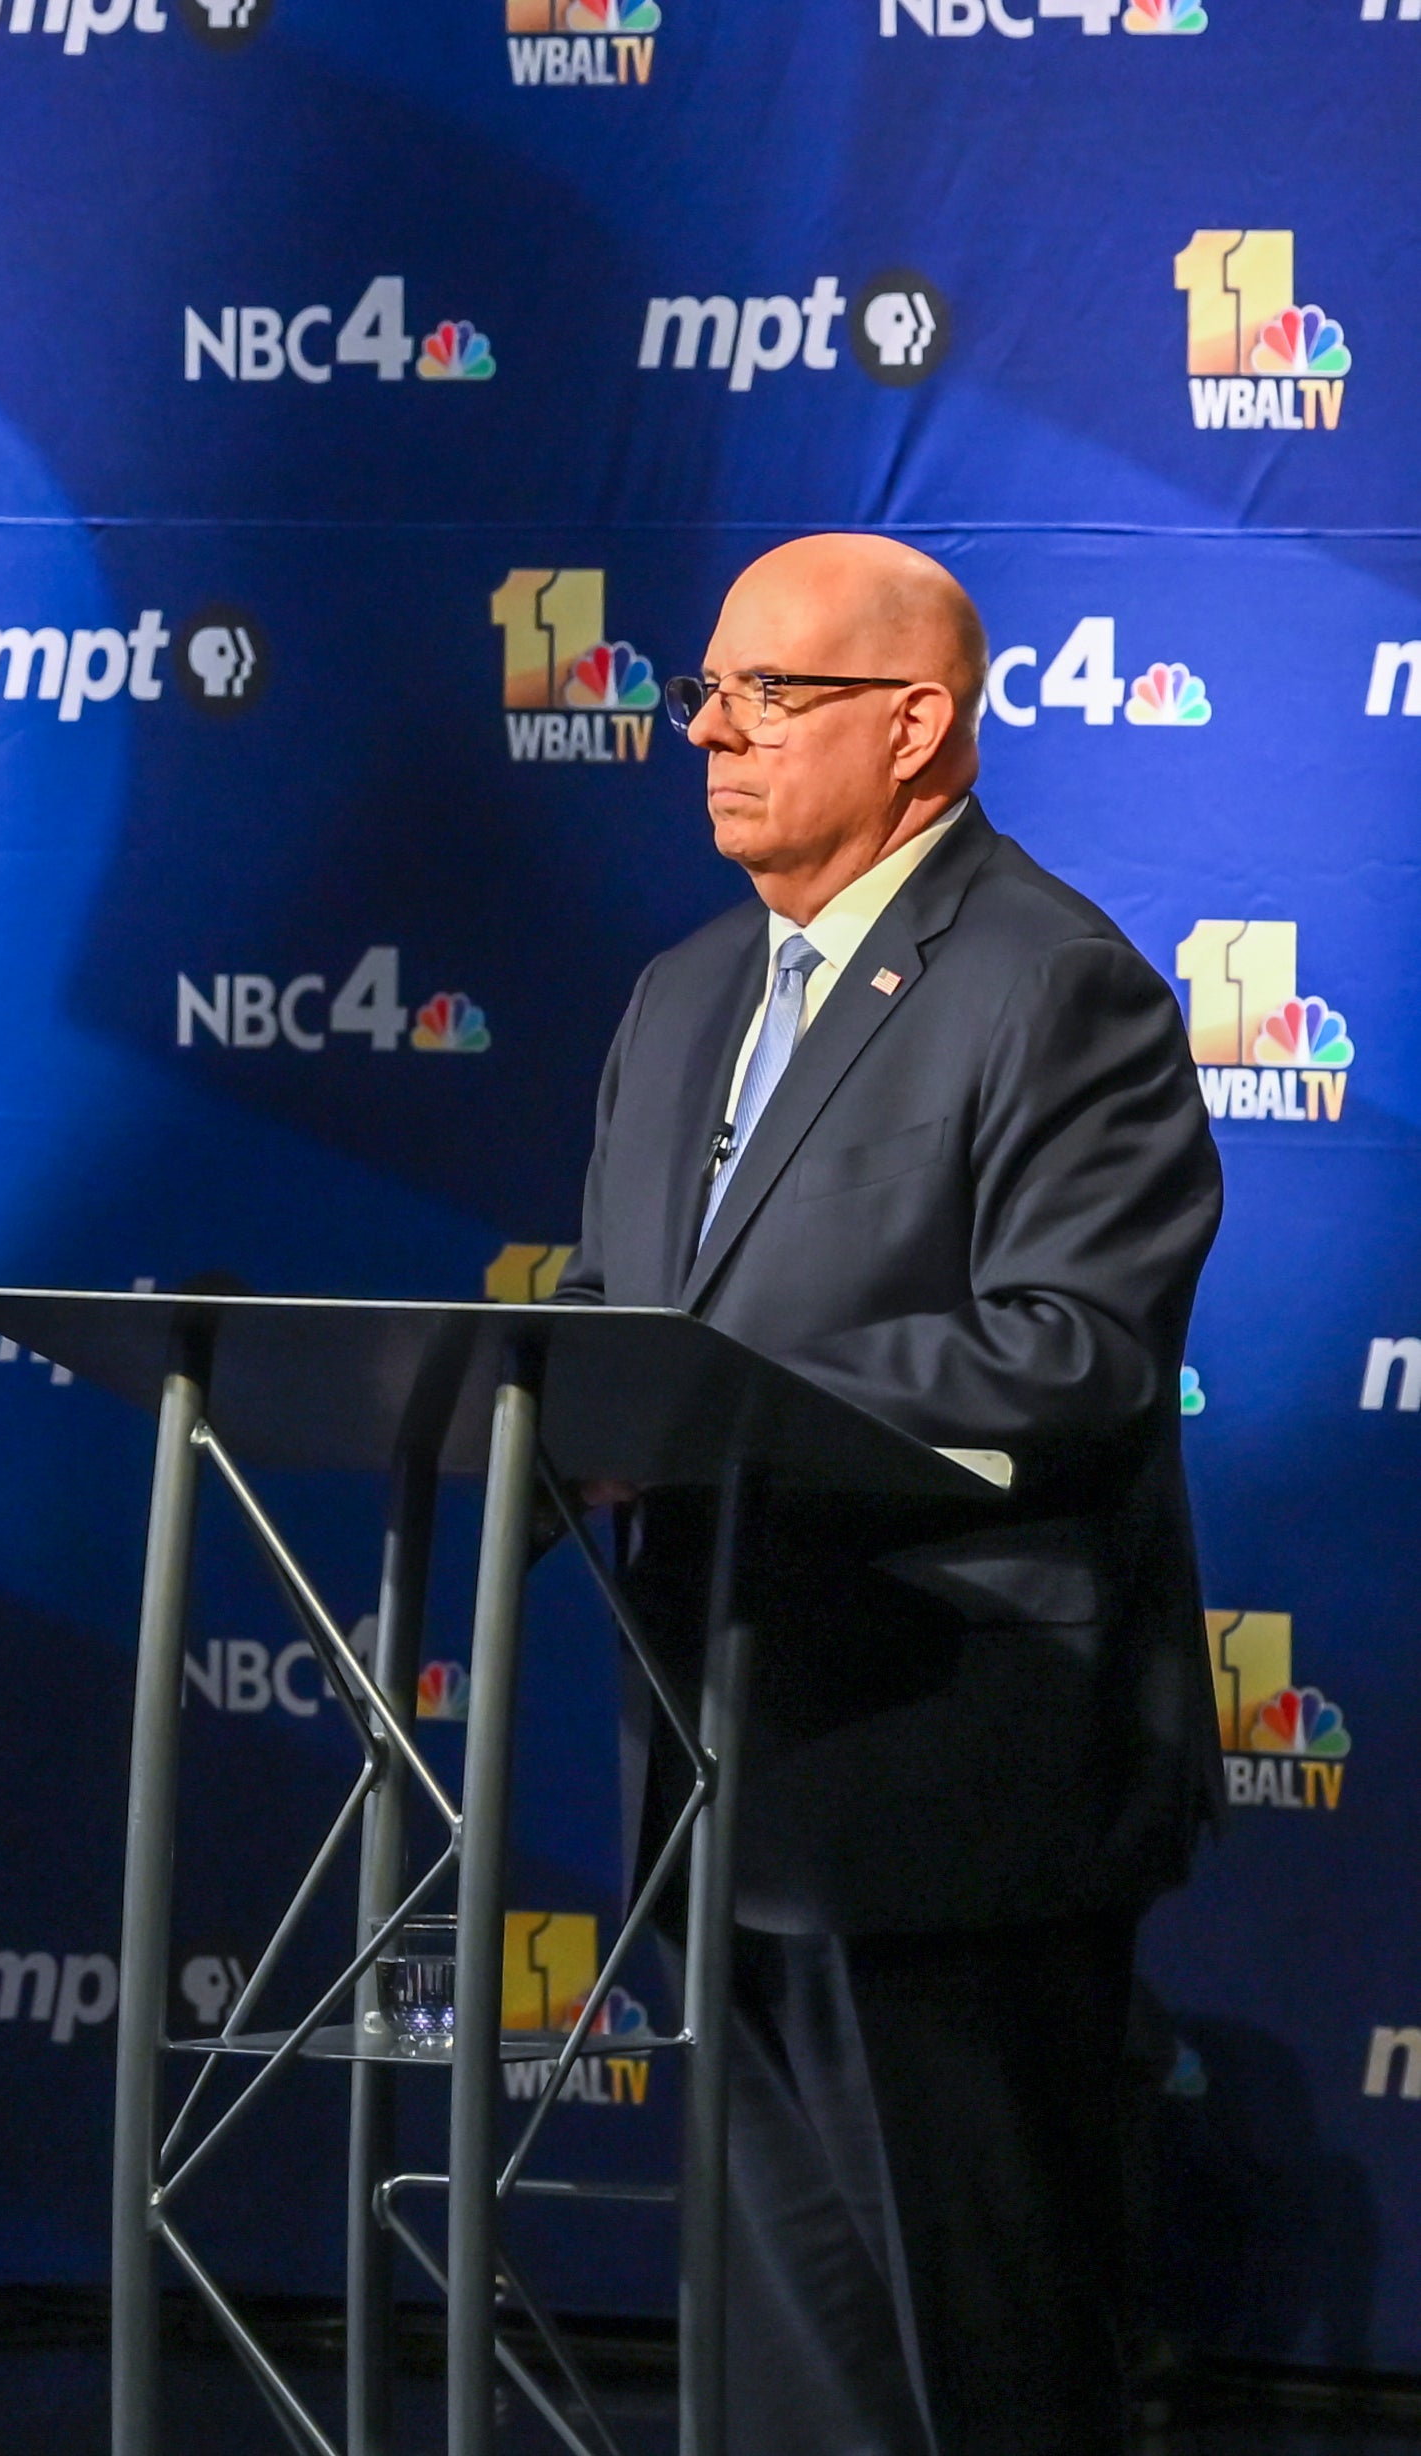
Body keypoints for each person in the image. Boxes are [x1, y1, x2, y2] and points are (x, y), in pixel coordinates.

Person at [556, 533, 1223, 2454]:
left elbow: (1073, 1352)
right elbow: (618, 1319)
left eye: (774, 694)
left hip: (953, 1774)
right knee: (785, 2372)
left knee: (975, 2365)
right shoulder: (685, 994)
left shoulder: (1053, 984)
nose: (714, 732)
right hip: (721, 1761)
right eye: (706, 691)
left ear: (919, 724)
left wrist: (725, 1403)